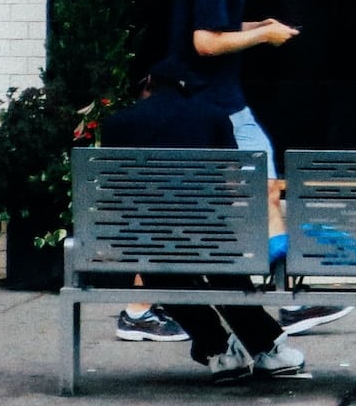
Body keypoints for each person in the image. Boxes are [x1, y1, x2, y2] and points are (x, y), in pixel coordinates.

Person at [144, 0, 350, 340]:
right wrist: (263, 36)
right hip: (219, 102)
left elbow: (209, 26)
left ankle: (286, 300)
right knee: (267, 187)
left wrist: (256, 23)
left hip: (208, 102)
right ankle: (290, 303)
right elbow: (204, 41)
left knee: (254, 193)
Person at [98, 73, 305, 381]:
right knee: (218, 253)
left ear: (147, 84)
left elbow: (112, 189)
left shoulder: (118, 123)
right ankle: (268, 349)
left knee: (157, 261)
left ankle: (217, 350)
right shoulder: (212, 116)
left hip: (141, 242)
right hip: (208, 237)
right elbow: (235, 184)